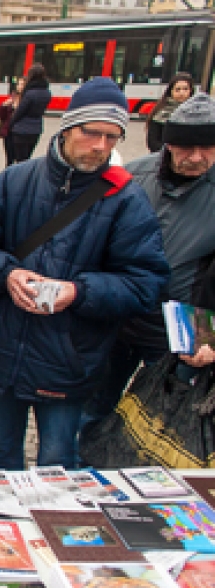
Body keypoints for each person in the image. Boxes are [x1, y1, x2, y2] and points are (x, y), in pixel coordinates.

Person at [0, 77, 170, 471]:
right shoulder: (15, 180)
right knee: (3, 455)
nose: (101, 146)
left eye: (113, 137)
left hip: (70, 356)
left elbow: (146, 283)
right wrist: (6, 274)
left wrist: (79, 292)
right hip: (7, 349)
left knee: (58, 461)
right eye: (93, 134)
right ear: (69, 126)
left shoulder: (126, 200)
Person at [81, 94, 215, 430]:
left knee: (165, 420)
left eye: (208, 148)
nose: (197, 157)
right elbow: (92, 241)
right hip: (119, 317)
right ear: (168, 143)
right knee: (95, 407)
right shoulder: (130, 177)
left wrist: (207, 336)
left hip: (183, 330)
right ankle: (84, 469)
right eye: (186, 147)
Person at [9, 64, 51, 163]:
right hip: (36, 128)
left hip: (22, 129)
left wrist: (11, 123)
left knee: (20, 158)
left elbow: (20, 112)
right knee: (27, 157)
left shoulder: (29, 93)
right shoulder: (46, 93)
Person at [146, 72, 194, 153]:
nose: (181, 93)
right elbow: (152, 142)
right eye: (177, 89)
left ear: (191, 91)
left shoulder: (197, 113)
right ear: (171, 91)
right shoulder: (161, 111)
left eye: (185, 89)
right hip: (163, 157)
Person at [0, 78, 24, 167]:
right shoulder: (12, 97)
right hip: (8, 131)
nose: (20, 87)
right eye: (19, 84)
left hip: (19, 132)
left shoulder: (26, 100)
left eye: (22, 84)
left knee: (19, 158)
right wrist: (4, 106)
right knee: (9, 157)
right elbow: (2, 116)